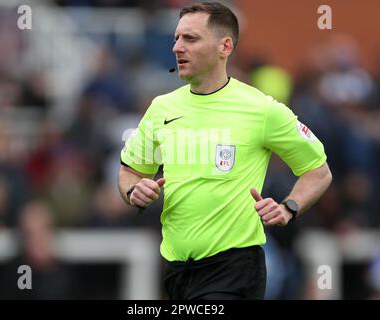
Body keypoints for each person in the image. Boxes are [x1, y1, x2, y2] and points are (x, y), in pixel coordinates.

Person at [118, 2, 332, 300]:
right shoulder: (161, 109)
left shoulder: (260, 109)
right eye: (176, 38)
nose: (177, 48)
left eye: (190, 39)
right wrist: (133, 191)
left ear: (225, 46)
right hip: (176, 269)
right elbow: (130, 171)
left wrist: (289, 207)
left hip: (234, 270)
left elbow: (318, 171)